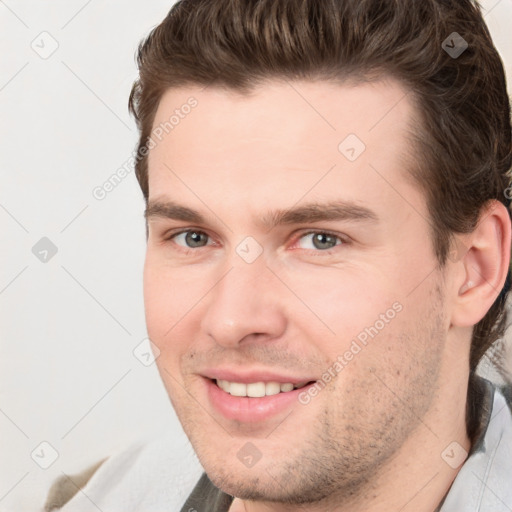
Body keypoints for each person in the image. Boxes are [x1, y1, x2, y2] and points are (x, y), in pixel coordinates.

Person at [44, 0, 512, 510]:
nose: (231, 319)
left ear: (474, 268)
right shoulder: (98, 496)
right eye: (193, 237)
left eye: (319, 240)